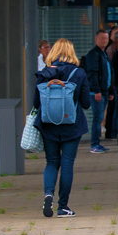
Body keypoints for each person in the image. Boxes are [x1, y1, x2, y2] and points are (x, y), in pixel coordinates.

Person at [35, 39, 92, 218]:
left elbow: (36, 103)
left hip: (48, 125)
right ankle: (63, 207)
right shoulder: (78, 73)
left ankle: (48, 194)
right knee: (67, 164)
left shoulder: (44, 73)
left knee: (52, 162)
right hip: (72, 125)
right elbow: (86, 103)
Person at [82, 29, 112, 154]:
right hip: (97, 92)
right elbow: (92, 73)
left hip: (104, 91)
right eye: (102, 38)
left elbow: (109, 73)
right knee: (98, 117)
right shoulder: (94, 54)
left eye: (106, 38)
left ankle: (97, 143)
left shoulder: (104, 54)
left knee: (100, 117)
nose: (105, 41)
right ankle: (94, 144)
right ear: (96, 39)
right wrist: (96, 91)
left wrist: (110, 91)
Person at [104, 28, 118, 140]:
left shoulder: (113, 48)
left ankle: (112, 132)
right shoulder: (114, 50)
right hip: (115, 85)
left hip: (114, 84)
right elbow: (113, 70)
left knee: (114, 109)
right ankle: (113, 131)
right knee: (116, 109)